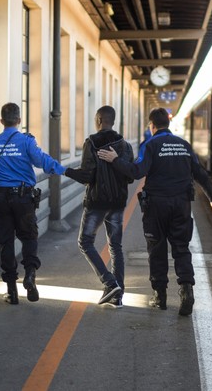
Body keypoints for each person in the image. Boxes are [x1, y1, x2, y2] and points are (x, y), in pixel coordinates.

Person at [98, 108, 212, 316]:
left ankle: (160, 297)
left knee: (157, 250)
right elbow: (200, 173)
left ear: (152, 126)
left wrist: (115, 160)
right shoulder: (184, 145)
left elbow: (137, 171)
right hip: (181, 204)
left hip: (156, 206)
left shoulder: (151, 145)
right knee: (181, 248)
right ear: (168, 124)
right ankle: (186, 291)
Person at [0, 102, 66, 305]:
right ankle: (30, 274)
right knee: (29, 236)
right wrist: (64, 170)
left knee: (5, 242)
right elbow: (42, 161)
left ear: (1, 121)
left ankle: (11, 291)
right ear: (19, 120)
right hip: (23, 199)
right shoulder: (26, 142)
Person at [64, 106, 134, 307]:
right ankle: (117, 296)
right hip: (118, 203)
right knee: (116, 247)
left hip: (96, 203)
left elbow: (87, 176)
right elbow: (130, 176)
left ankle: (109, 282)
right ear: (113, 120)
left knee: (85, 242)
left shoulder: (92, 143)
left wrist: (67, 171)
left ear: (99, 119)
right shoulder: (125, 146)